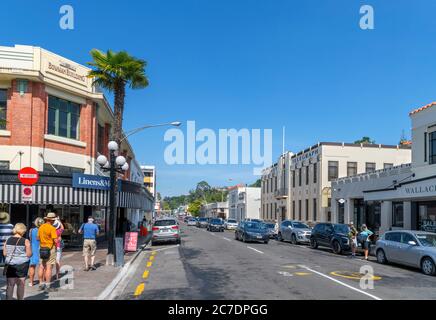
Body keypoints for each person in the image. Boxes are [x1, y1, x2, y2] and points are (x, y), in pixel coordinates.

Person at [3, 223, 32, 300]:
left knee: (10, 285)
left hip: (10, 265)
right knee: (20, 285)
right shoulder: (25, 241)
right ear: (23, 230)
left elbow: (5, 253)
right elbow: (29, 254)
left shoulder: (8, 239)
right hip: (22, 265)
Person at [37, 212, 59, 292]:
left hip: (42, 248)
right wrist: (58, 240)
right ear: (52, 220)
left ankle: (40, 284)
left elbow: (37, 238)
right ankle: (47, 286)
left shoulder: (41, 227)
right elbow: (55, 241)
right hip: (50, 249)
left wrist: (44, 240)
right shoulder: (52, 228)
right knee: (49, 267)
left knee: (41, 266)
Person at [28, 217, 44, 287]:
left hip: (33, 249)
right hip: (41, 249)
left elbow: (30, 239)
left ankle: (31, 282)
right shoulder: (43, 230)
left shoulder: (31, 230)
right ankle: (41, 282)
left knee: (32, 266)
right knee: (41, 266)